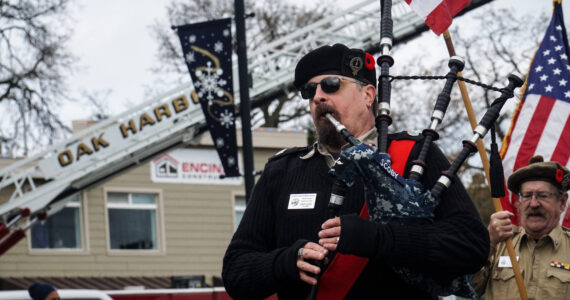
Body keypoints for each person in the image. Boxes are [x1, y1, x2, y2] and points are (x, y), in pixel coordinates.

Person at [222, 43, 489, 299]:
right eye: (309, 90)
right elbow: (236, 272)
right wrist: (287, 262)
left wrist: (380, 239)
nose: (318, 96)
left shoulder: (414, 155)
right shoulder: (282, 171)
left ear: (368, 95)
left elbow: (471, 245)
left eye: (331, 85)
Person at [472, 156, 570, 300]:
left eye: (543, 196)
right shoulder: (499, 243)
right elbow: (468, 288)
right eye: (527, 196)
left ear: (562, 202)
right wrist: (488, 243)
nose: (534, 204)